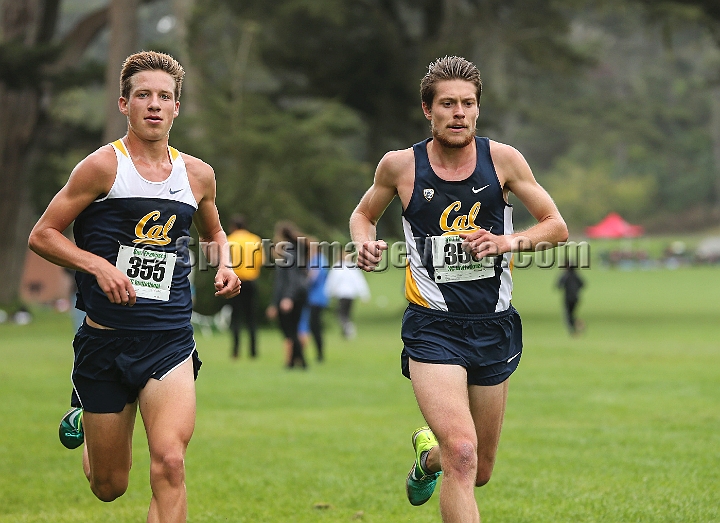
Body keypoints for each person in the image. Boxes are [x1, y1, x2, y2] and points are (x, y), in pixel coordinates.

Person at [349, 56, 568, 522]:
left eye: (468, 103)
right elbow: (364, 214)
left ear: (477, 109)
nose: (459, 113)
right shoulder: (400, 166)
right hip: (433, 327)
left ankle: (426, 459)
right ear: (428, 110)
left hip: (494, 326)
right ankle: (445, 454)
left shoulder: (503, 160)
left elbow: (556, 226)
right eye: (447, 104)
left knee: (479, 468)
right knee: (463, 453)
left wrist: (509, 240)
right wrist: (364, 244)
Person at [28, 50, 240, 523]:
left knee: (169, 462)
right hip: (105, 340)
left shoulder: (198, 175)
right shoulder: (102, 167)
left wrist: (224, 264)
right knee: (110, 486)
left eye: (165, 96)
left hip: (169, 341)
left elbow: (215, 232)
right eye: (143, 95)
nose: (154, 104)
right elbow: (42, 234)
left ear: (177, 108)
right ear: (124, 103)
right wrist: (97, 267)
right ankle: (84, 409)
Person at [266, 221, 309, 369]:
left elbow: (290, 279)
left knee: (290, 331)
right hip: (298, 294)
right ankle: (293, 362)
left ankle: (301, 362)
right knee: (292, 330)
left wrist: (287, 298)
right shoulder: (297, 250)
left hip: (291, 296)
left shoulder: (288, 253)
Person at [226, 214, 262, 358]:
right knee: (251, 318)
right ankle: (253, 351)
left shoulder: (229, 240)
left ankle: (235, 351)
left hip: (234, 281)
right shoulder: (255, 240)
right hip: (251, 281)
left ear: (233, 227)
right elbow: (260, 261)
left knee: (236, 318)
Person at [298, 238, 330, 362]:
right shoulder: (318, 259)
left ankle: (320, 354)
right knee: (312, 325)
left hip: (316, 298)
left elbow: (313, 278)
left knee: (314, 326)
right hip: (315, 297)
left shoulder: (318, 260)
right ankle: (317, 354)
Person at [324, 258, 370, 339]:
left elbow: (333, 280)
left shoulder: (338, 266)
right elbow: (359, 281)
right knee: (347, 313)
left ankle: (348, 329)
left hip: (342, 294)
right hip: (351, 294)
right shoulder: (353, 267)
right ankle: (346, 331)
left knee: (341, 314)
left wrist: (328, 292)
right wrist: (364, 295)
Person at [557, 264, 585, 335]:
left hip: (568, 298)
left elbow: (559, 285)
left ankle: (575, 329)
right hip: (576, 298)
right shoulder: (576, 275)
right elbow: (582, 284)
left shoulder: (565, 276)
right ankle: (578, 324)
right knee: (572, 314)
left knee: (568, 316)